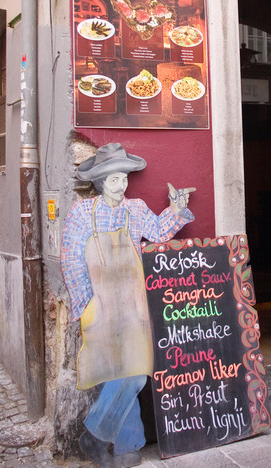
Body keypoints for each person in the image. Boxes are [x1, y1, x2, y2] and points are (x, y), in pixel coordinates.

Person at [61, 143, 195, 468]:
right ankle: (126, 446)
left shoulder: (135, 209)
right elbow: (70, 260)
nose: (120, 185)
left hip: (133, 306)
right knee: (114, 373)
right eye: (112, 180)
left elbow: (159, 233)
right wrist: (87, 306)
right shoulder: (82, 214)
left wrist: (177, 208)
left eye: (123, 178)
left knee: (135, 374)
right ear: (99, 183)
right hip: (100, 306)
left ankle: (97, 437)